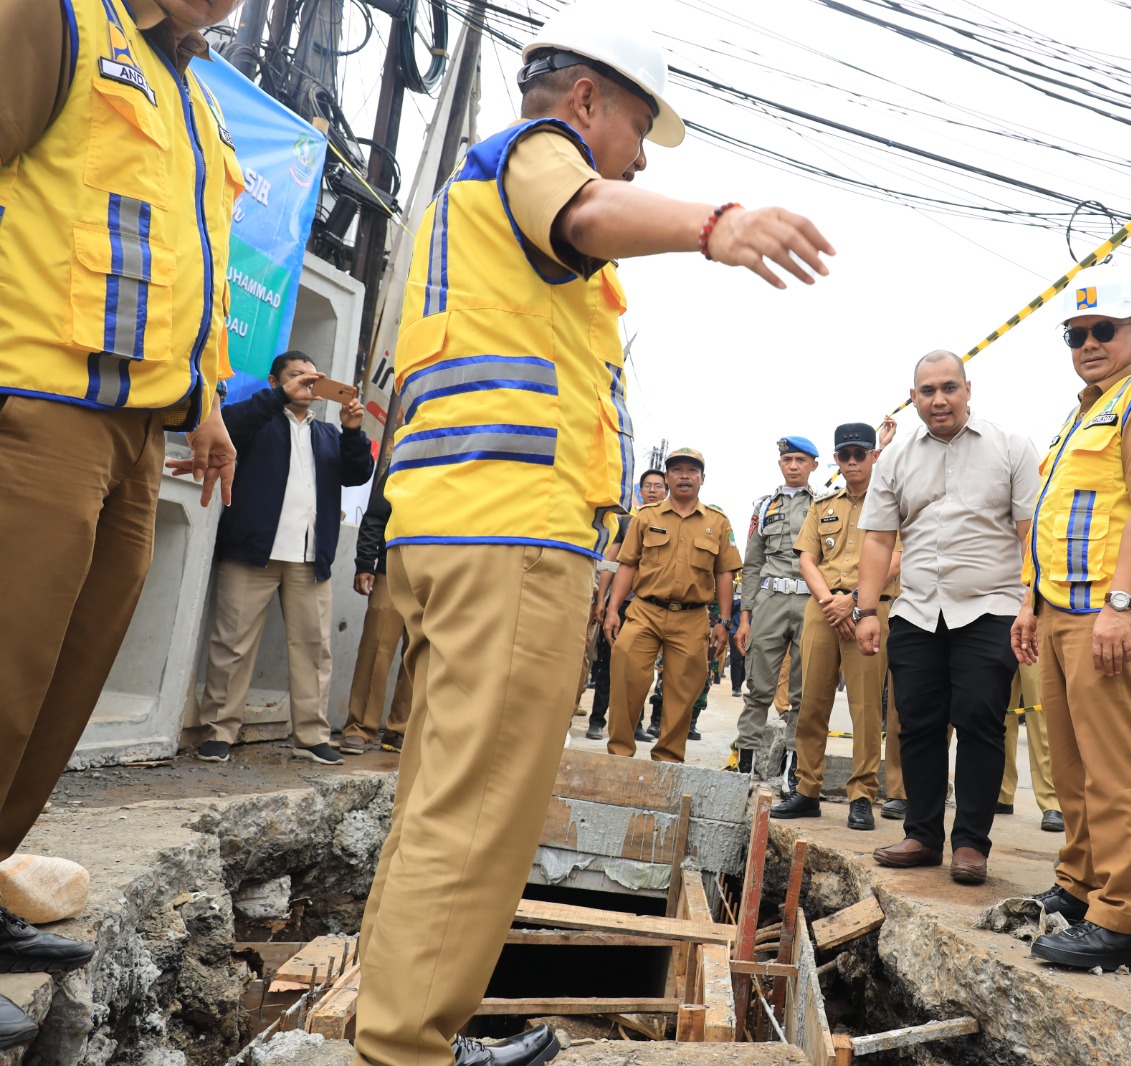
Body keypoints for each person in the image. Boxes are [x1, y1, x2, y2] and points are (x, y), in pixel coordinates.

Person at [350, 6, 833, 1062]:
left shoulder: (468, 202)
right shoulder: (537, 153)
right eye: (632, 134)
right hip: (506, 535)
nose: (629, 158)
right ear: (584, 102)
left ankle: (395, 1024)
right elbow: (586, 208)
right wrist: (715, 225)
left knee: (440, 799)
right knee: (480, 810)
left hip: (449, 528)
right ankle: (406, 1049)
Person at [0, 0, 245, 1043]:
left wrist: (208, 406)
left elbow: (183, 270)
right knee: (3, 667)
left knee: (62, 684)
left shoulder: (192, 88)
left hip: (144, 433)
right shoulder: (54, 19)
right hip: (37, 407)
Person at [1010, 265, 1131, 972]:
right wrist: (1030, 602)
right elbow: (1055, 521)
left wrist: (1120, 605)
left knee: (1115, 769)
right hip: (1059, 612)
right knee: (1074, 765)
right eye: (1076, 334)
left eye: (1102, 330)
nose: (1087, 343)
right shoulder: (1084, 411)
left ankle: (1119, 922)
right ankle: (1079, 887)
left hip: (1107, 615)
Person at [855, 351, 1039, 886]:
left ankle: (971, 845)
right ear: (912, 397)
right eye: (927, 390)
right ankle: (922, 835)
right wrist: (867, 610)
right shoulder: (892, 459)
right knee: (917, 722)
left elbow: (1031, 532)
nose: (939, 399)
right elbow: (879, 537)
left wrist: (1030, 602)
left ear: (968, 390)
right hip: (916, 608)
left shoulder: (1011, 447)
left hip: (991, 606)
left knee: (982, 720)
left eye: (949, 388)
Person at [192, 353, 374, 766]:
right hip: (252, 551)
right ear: (275, 381)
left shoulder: (328, 433)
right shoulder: (258, 420)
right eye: (295, 377)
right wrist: (275, 399)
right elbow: (230, 426)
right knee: (232, 644)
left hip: (311, 560)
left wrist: (353, 432)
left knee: (314, 650)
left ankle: (311, 735)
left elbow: (357, 473)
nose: (305, 386)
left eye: (312, 379)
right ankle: (220, 730)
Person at [774, 423, 902, 830]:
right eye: (844, 455)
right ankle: (806, 789)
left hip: (869, 610)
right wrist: (830, 601)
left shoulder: (892, 503)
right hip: (824, 610)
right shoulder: (823, 505)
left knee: (865, 707)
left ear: (872, 456)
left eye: (858, 454)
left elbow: (898, 557)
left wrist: (855, 600)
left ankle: (862, 795)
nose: (851, 462)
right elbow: (807, 559)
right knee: (810, 702)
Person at [604, 449, 740, 763]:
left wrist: (723, 621)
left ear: (702, 479)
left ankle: (667, 761)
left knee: (682, 692)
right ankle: (618, 755)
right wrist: (613, 610)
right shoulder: (646, 517)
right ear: (667, 478)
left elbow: (724, 572)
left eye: (692, 471)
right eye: (676, 470)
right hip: (645, 612)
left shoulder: (717, 523)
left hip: (692, 618)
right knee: (626, 674)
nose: (684, 475)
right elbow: (627, 564)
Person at [734, 438, 821, 779]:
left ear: (814, 464)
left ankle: (792, 772)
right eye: (787, 459)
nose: (794, 465)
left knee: (804, 691)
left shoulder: (824, 505)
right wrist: (745, 617)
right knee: (758, 687)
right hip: (769, 601)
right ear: (780, 463)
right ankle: (744, 769)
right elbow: (752, 564)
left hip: (810, 602)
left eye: (801, 459)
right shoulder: (764, 506)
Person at [586, 469, 668, 740]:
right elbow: (610, 563)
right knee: (610, 664)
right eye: (648, 486)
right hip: (622, 606)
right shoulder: (625, 523)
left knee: (641, 670)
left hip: (651, 608)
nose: (653, 490)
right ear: (640, 491)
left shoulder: (673, 524)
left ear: (666, 491)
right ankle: (597, 721)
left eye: (658, 486)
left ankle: (636, 725)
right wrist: (604, 600)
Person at [343, 467, 411, 755]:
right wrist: (365, 563)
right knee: (376, 649)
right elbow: (375, 516)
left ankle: (401, 730)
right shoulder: (408, 456)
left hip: (440, 572)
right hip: (392, 568)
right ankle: (360, 727)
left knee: (421, 657)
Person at [997, 664, 1063, 833]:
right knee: (999, 712)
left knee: (1042, 714)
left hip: (1036, 639)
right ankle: (1001, 793)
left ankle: (1052, 801)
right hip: (1000, 638)